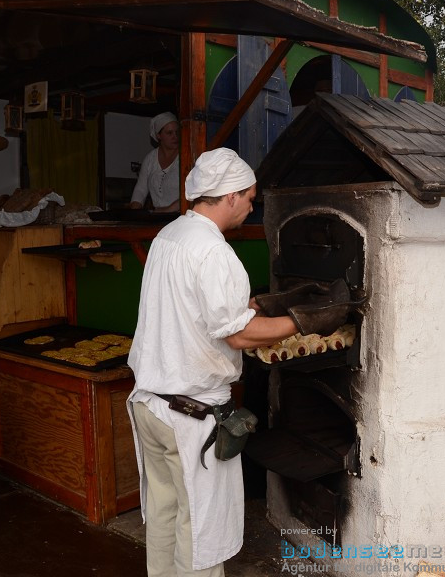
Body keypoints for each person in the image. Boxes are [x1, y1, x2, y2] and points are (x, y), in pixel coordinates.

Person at [127, 148, 299, 576]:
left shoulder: (169, 236)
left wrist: (254, 305)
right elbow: (238, 334)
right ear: (229, 197)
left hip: (152, 405)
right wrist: (297, 323)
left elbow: (194, 308)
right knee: (201, 531)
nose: (250, 207)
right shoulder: (214, 252)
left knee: (167, 516)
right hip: (192, 416)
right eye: (250, 198)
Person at [130, 112, 180, 212]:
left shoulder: (186, 157)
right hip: (158, 218)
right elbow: (141, 190)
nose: (175, 136)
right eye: (169, 133)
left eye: (177, 132)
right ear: (159, 136)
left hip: (181, 217)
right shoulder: (150, 159)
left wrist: (167, 210)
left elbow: (192, 195)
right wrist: (134, 212)